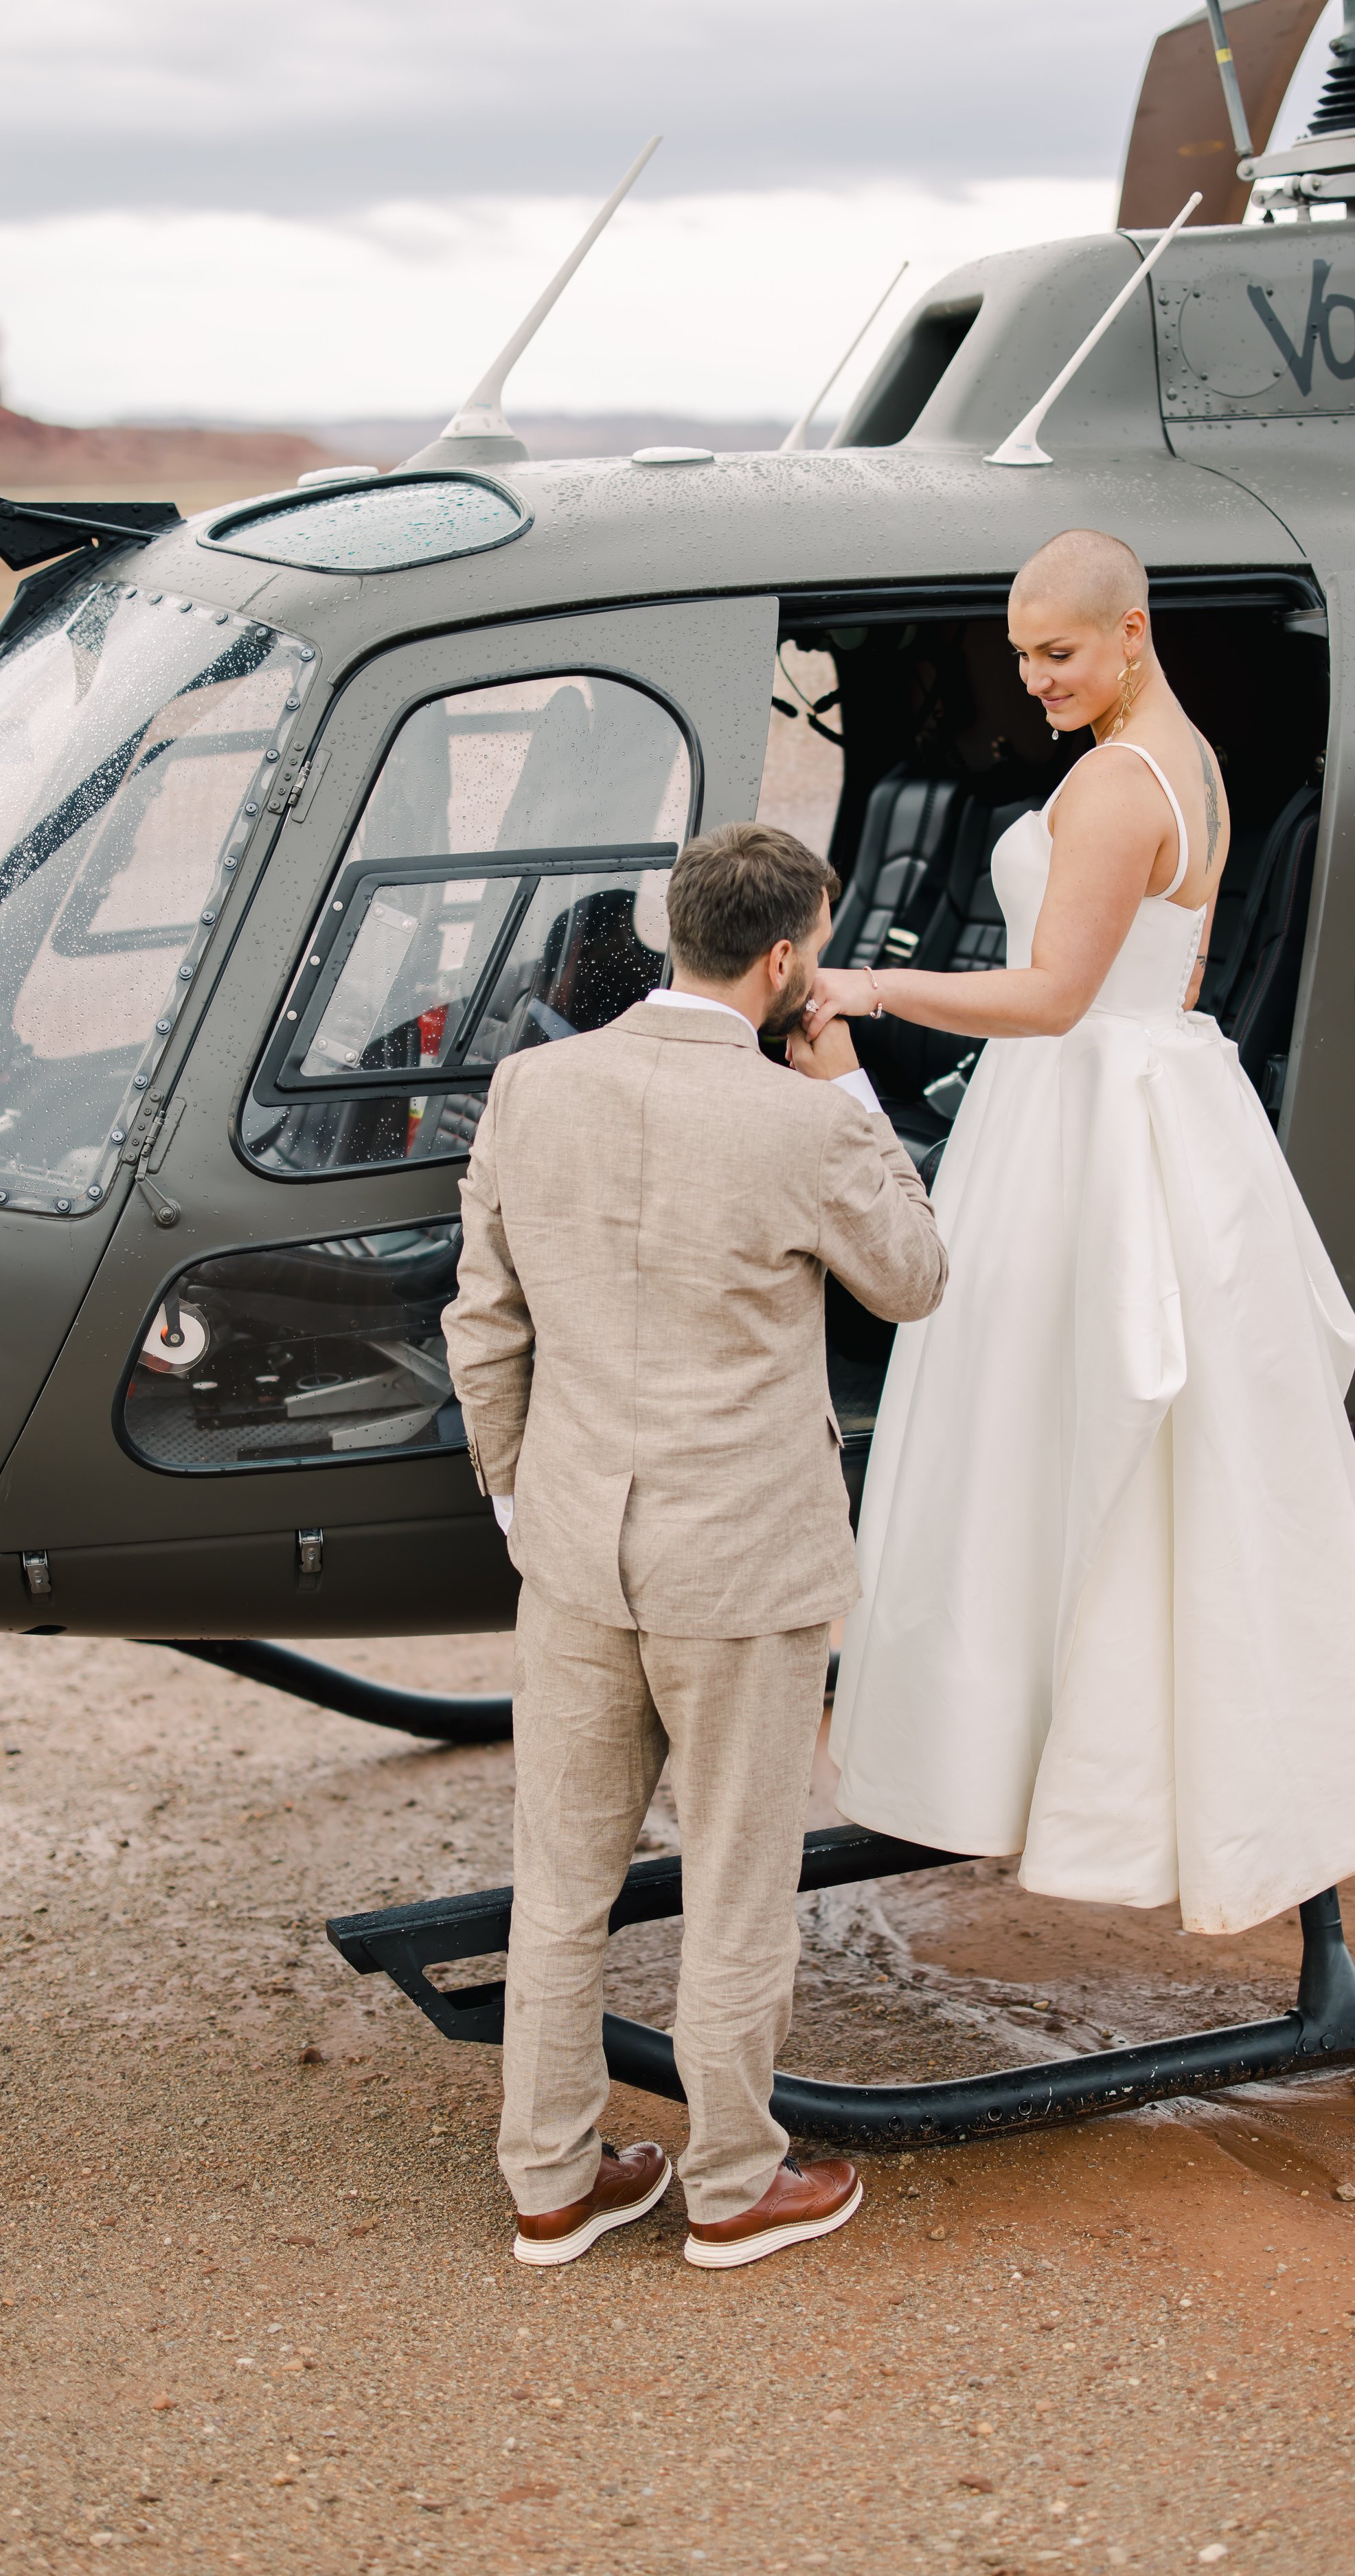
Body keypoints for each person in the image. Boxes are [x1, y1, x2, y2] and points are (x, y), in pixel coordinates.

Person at [811, 530, 1355, 1936]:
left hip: (1085, 1106)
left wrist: (869, 988)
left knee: (1041, 1424)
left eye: (1058, 652)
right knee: (1130, 1436)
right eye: (1022, 653)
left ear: (1129, 633)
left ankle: (1028, 1760)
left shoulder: (1108, 786)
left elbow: (1050, 1000)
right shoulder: (1191, 762)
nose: (1032, 678)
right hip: (1152, 1091)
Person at [444, 822, 947, 2271]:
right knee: (735, 1885)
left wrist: (516, 1494)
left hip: (575, 1549)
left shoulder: (535, 1085)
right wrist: (847, 1080)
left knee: (561, 1885)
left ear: (676, 932)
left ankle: (551, 2181)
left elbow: (482, 1318)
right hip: (742, 1564)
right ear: (786, 959)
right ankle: (733, 2184)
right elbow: (912, 1276)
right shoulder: (799, 1122)